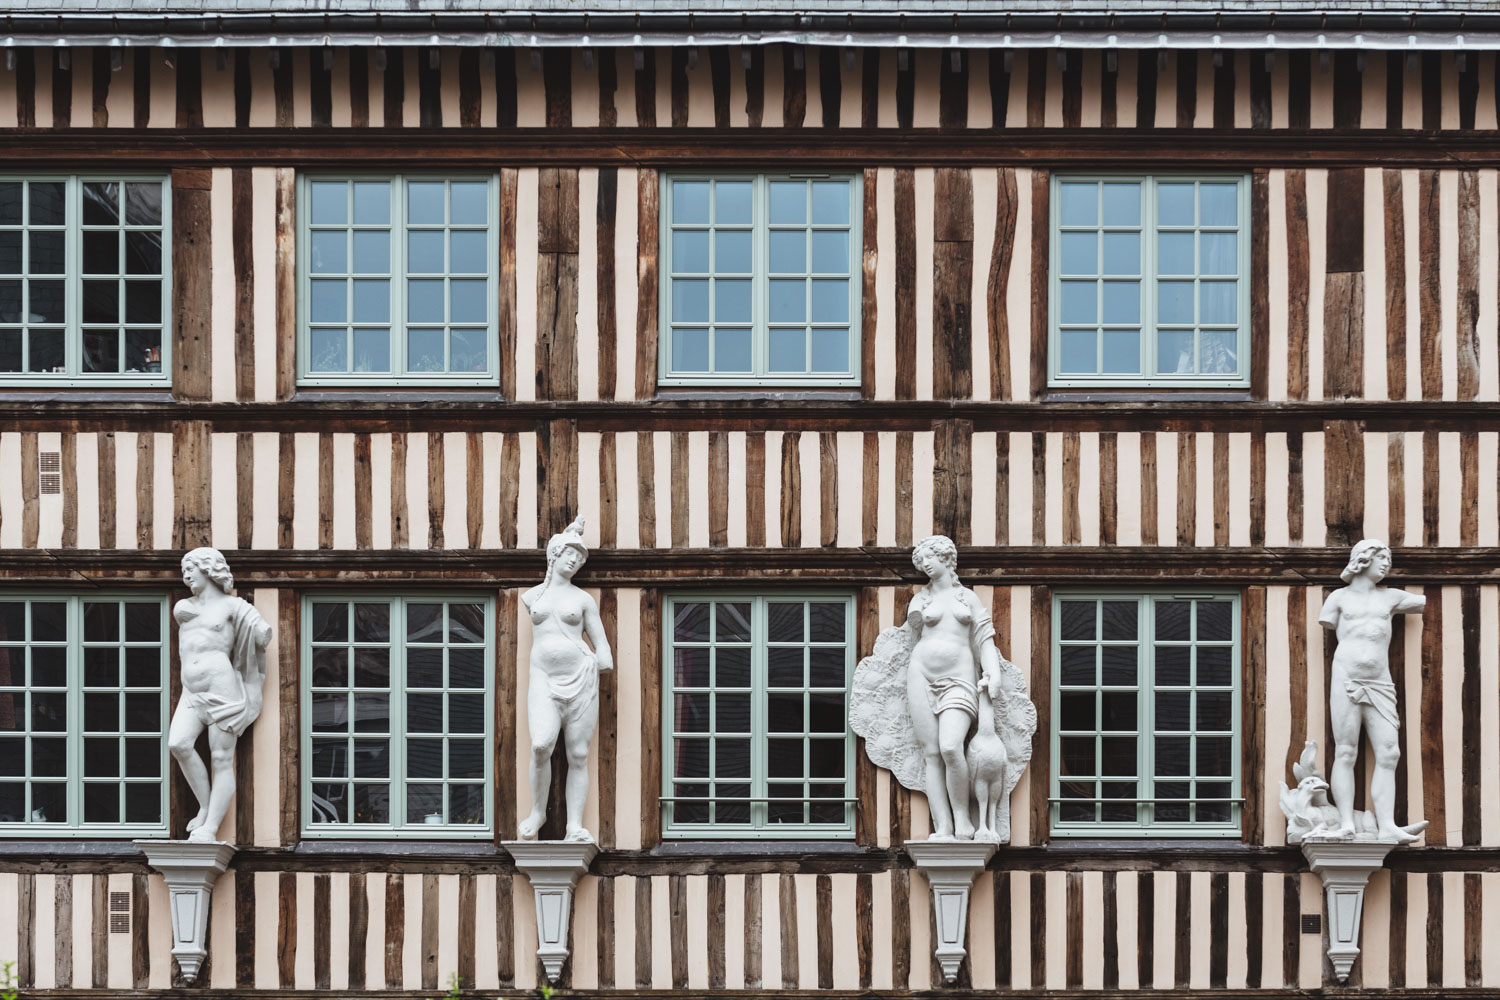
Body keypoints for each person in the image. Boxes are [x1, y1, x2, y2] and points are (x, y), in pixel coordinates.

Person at [1318, 539, 1425, 842]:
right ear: (1363, 559)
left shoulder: (1390, 597)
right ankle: (1346, 823)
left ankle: (1388, 824)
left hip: (1380, 681)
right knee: (1346, 750)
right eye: (1382, 557)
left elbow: (1423, 600)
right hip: (1346, 678)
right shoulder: (1338, 599)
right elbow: (1326, 621)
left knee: (1390, 752)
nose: (1386, 564)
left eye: (1388, 559)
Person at [905, 535, 1008, 840]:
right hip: (921, 673)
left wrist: (993, 673)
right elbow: (913, 627)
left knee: (951, 747)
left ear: (946, 558)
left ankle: (963, 818)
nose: (924, 564)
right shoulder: (921, 599)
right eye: (920, 560)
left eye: (929, 557)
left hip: (960, 678)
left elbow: (983, 639)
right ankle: (944, 828)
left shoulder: (968, 599)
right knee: (932, 752)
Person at [519, 517, 613, 843]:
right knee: (541, 744)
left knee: (577, 753)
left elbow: (601, 644)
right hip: (544, 678)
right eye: (569, 554)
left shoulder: (583, 600)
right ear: (554, 555)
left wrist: (601, 662)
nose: (574, 561)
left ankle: (574, 825)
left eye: (580, 558)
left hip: (581, 678)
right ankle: (538, 812)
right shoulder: (533, 596)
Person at [169, 547, 272, 844]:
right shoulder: (184, 608)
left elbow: (263, 634)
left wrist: (257, 629)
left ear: (209, 570)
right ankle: (204, 806)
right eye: (184, 570)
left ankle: (211, 826)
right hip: (191, 692)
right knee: (178, 743)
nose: (186, 575)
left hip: (222, 689)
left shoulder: (234, 607)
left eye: (192, 569)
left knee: (221, 758)